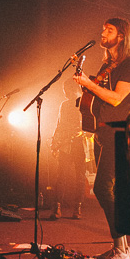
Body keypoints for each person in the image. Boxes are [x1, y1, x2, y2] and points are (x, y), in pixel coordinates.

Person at [73, 18, 130, 259]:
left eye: (109, 30)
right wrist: (86, 86)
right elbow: (95, 99)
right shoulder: (107, 66)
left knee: (103, 188)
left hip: (119, 134)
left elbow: (116, 99)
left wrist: (88, 84)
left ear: (122, 36)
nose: (103, 33)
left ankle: (123, 251)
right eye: (103, 29)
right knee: (111, 190)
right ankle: (120, 248)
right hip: (102, 133)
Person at [49, 77, 91, 220]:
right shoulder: (65, 105)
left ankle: (77, 207)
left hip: (81, 144)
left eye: (67, 90)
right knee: (61, 177)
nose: (65, 93)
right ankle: (57, 207)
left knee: (80, 177)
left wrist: (82, 132)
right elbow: (59, 124)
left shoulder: (86, 103)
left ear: (74, 89)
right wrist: (55, 142)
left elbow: (91, 125)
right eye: (64, 91)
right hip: (66, 144)